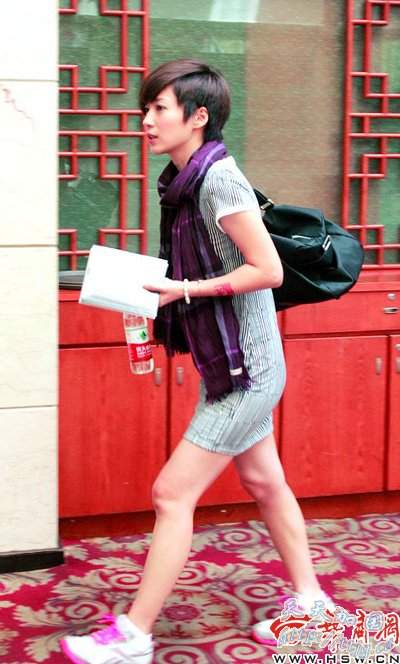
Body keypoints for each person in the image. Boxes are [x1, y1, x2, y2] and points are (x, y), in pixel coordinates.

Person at [61, 59, 334, 664]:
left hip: (248, 370)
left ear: (198, 116)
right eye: (147, 108)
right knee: (265, 482)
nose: (147, 119)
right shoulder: (184, 181)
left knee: (170, 494)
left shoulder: (219, 182)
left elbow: (268, 270)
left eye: (159, 108)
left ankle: (134, 635)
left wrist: (182, 290)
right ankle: (313, 605)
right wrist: (156, 291)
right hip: (231, 363)